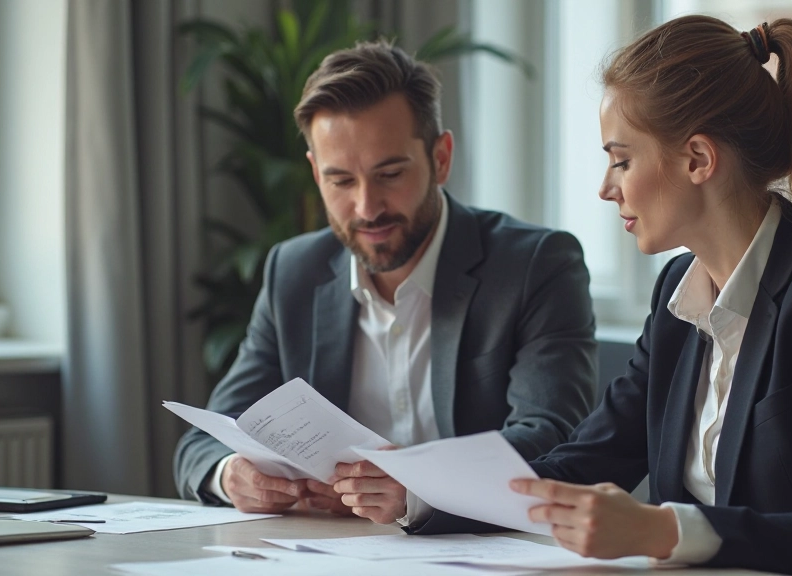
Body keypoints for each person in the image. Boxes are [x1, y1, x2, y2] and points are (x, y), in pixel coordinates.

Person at [389, 15, 792, 575]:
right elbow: (585, 459)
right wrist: (420, 496)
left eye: (622, 159)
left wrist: (661, 530)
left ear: (698, 160)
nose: (607, 188)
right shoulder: (676, 296)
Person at [173, 40, 597, 529]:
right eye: (341, 181)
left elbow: (553, 436)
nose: (367, 207)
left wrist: (417, 486)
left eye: (389, 173)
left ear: (441, 158)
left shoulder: (535, 265)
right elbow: (204, 442)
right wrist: (233, 476)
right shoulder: (294, 271)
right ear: (315, 172)